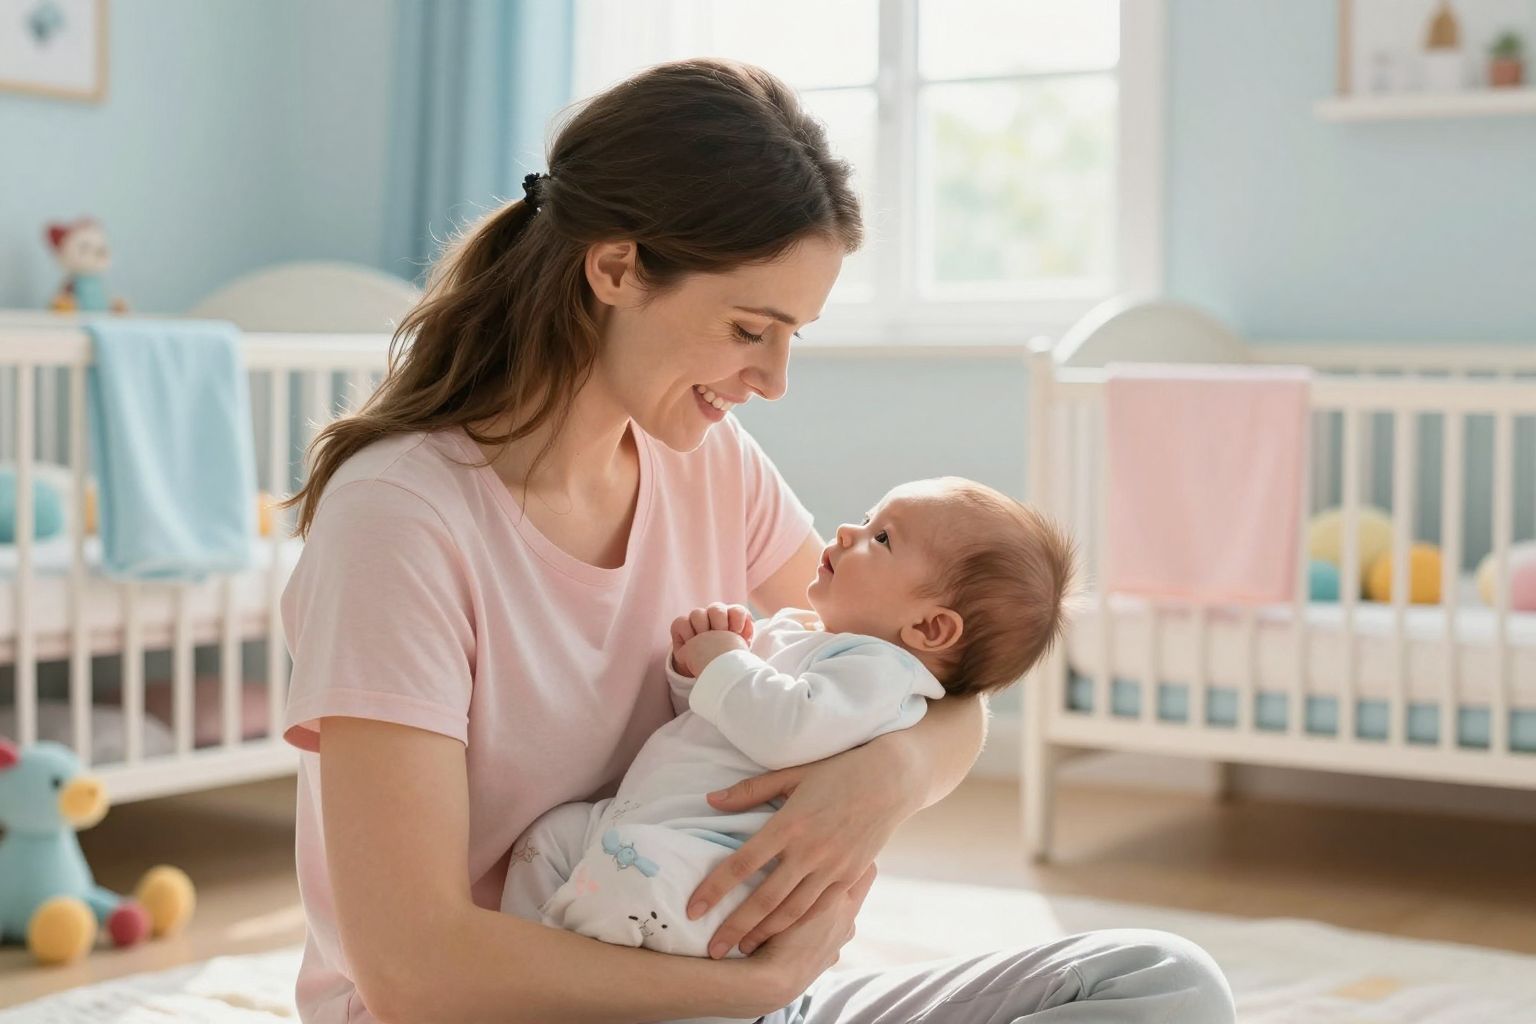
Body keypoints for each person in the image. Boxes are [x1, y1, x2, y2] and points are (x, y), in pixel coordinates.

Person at [280, 58, 1235, 1024]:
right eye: (748, 329)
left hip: (724, 1002)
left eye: (792, 339)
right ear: (614, 268)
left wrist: (883, 777)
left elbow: (933, 683)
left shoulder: (707, 462)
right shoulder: (401, 520)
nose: (773, 380)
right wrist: (759, 983)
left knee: (1158, 983)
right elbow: (412, 968)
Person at [501, 477, 1075, 977]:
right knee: (548, 838)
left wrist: (725, 659)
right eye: (870, 516)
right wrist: (691, 668)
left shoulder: (883, 675)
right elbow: (717, 722)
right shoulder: (805, 635)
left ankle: (556, 969)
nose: (851, 530)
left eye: (883, 538)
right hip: (648, 824)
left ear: (929, 629)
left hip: (715, 862)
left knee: (624, 879)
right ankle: (526, 966)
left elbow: (784, 729)